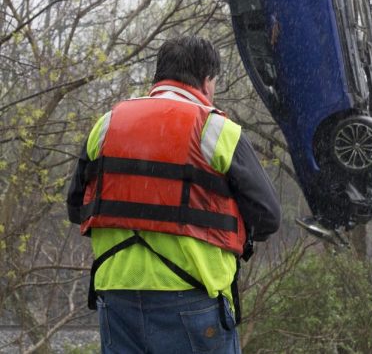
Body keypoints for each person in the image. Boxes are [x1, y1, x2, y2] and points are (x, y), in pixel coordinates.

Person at [66, 35, 281, 354]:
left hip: (116, 297)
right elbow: (268, 217)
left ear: (159, 76)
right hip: (192, 298)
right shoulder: (217, 130)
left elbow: (75, 208)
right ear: (207, 81)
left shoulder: (107, 125)